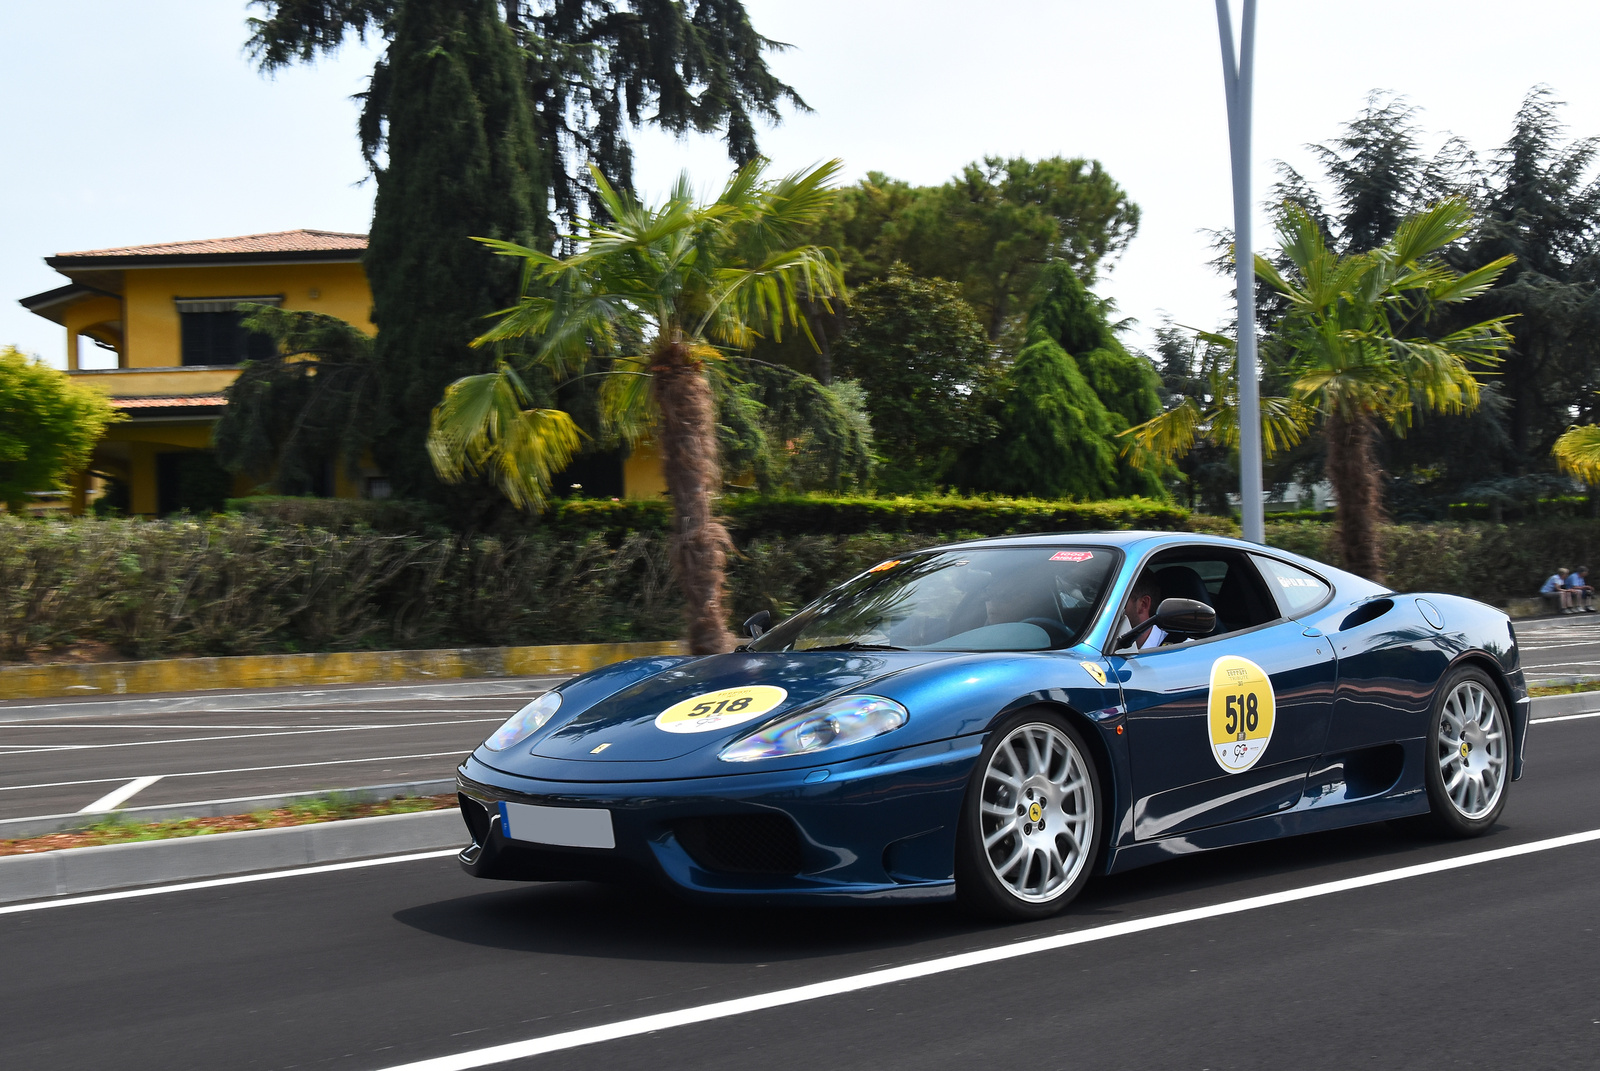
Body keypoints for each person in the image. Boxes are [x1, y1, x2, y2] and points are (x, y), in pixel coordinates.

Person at [1119, 571, 1168, 650]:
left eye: (1119, 601)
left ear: (1143, 604)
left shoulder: (1181, 651)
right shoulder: (1098, 645)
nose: (1106, 609)